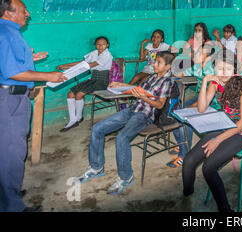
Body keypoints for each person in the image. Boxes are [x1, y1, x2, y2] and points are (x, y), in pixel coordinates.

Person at [75, 51, 175, 195]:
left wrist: (144, 97)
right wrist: (120, 85)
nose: (154, 64)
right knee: (97, 128)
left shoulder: (167, 82)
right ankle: (96, 167)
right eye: (155, 61)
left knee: (122, 137)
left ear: (168, 67)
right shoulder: (152, 77)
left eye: (159, 62)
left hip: (144, 115)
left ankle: (126, 177)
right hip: (132, 109)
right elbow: (135, 89)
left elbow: (159, 105)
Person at [0, 0, 66, 212]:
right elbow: (13, 72)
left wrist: (31, 59)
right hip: (9, 100)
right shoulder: (6, 33)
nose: (27, 14)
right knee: (11, 153)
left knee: (9, 150)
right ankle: (12, 206)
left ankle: (8, 193)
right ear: (8, 13)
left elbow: (10, 64)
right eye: (23, 10)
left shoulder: (9, 33)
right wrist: (48, 75)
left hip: (12, 96)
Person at [182, 49, 242, 212]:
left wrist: (217, 140)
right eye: (220, 69)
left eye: (228, 69)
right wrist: (206, 80)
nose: (224, 73)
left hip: (241, 132)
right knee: (189, 161)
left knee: (208, 168)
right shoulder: (215, 83)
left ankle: (225, 210)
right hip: (223, 125)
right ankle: (187, 195)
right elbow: (201, 108)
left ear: (235, 70)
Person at [168, 44, 216, 168]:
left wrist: (191, 107)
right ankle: (182, 144)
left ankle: (184, 155)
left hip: (212, 101)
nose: (196, 55)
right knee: (173, 111)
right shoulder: (197, 66)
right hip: (200, 97)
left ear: (208, 57)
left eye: (200, 53)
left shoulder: (211, 70)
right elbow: (181, 73)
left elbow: (207, 98)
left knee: (186, 117)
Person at [57, 36, 113, 132]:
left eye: (103, 44)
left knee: (79, 94)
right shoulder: (94, 53)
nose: (101, 46)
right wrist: (65, 65)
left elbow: (90, 65)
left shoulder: (107, 55)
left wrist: (69, 69)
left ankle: (78, 118)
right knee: (70, 94)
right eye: (98, 44)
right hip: (93, 79)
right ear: (95, 45)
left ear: (107, 45)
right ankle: (73, 120)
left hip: (102, 81)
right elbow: (82, 62)